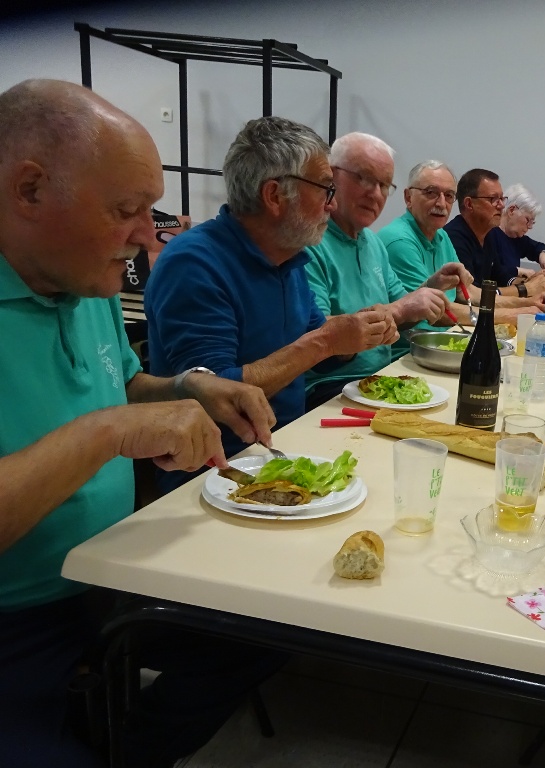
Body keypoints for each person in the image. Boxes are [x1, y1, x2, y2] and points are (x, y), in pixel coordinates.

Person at [0, 79, 281, 768]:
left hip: (109, 576)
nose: (144, 236)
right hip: (16, 622)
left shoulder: (82, 273)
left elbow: (123, 383)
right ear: (29, 190)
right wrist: (110, 431)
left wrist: (189, 388)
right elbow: (110, 417)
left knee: (271, 632)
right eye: (126, 209)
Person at [146, 116, 397, 490]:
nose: (332, 205)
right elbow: (216, 395)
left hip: (283, 449)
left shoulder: (289, 257)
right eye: (327, 189)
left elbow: (319, 345)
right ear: (275, 195)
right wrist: (327, 340)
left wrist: (357, 333)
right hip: (216, 474)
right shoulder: (194, 262)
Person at [302, 133, 473, 408]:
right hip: (330, 390)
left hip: (381, 377)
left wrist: (430, 289)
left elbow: (404, 309)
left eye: (383, 184)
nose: (375, 193)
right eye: (364, 178)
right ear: (331, 177)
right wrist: (402, 309)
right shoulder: (309, 242)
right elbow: (316, 340)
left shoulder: (372, 242)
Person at [379, 161, 543, 324]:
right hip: (411, 346)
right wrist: (517, 314)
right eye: (431, 193)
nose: (442, 203)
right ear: (408, 198)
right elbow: (433, 311)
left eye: (449, 196)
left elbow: (468, 292)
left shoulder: (441, 236)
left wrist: (528, 303)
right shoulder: (400, 240)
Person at [444, 168, 545, 298]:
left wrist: (531, 282)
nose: (501, 205)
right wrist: (525, 289)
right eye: (493, 199)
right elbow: (471, 295)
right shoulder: (454, 238)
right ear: (469, 204)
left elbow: (498, 274)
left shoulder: (487, 234)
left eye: (501, 198)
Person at [497, 183, 545, 279]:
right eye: (528, 219)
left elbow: (537, 247)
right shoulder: (489, 234)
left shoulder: (515, 237)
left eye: (532, 222)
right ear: (511, 210)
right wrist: (519, 271)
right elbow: (492, 269)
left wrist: (544, 256)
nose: (530, 226)